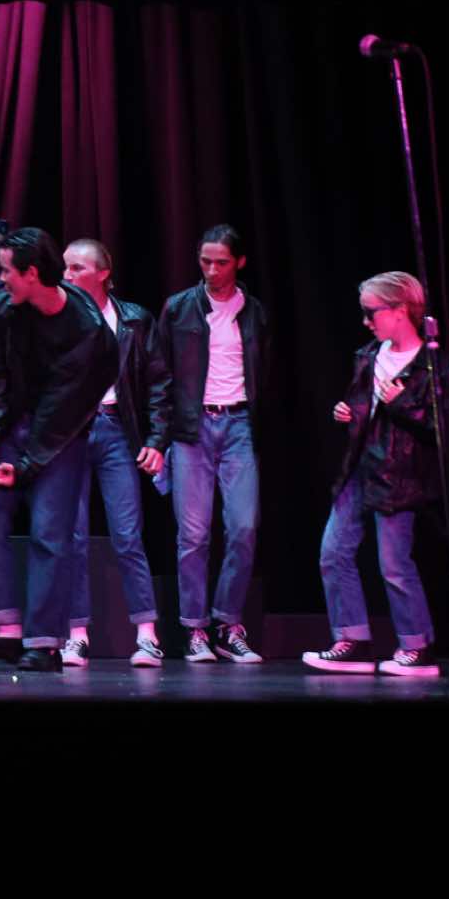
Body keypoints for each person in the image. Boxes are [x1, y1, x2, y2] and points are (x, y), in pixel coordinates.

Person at [0, 228, 120, 672]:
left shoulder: (88, 332)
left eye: (8, 270)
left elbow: (63, 409)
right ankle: (6, 632)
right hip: (13, 422)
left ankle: (44, 644)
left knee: (49, 533)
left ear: (31, 273)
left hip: (62, 433)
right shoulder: (4, 308)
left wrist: (27, 466)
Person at [304, 272, 449, 678]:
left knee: (393, 563)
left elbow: (448, 426)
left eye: (371, 312)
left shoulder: (433, 364)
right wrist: (348, 412)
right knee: (333, 552)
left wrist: (404, 403)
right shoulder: (368, 355)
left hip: (399, 475)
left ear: (400, 310)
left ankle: (417, 647)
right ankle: (352, 640)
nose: (366, 321)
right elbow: (364, 406)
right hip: (360, 467)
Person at [152, 224, 270, 664]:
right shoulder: (179, 308)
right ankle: (194, 628)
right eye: (206, 261)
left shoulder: (254, 312)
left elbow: (264, 371)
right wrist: (160, 436)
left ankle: (227, 622)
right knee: (193, 535)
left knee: (243, 527)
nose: (212, 270)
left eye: (221, 262)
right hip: (193, 427)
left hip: (239, 424)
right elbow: (160, 374)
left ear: (239, 263)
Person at [57, 239, 168, 668]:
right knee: (73, 536)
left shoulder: (134, 320)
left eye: (76, 268)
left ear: (103, 273)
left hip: (116, 430)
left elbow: (159, 383)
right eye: (65, 268)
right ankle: (76, 635)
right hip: (72, 434)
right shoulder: (55, 317)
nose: (67, 275)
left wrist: (156, 440)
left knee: (128, 535)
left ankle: (147, 635)